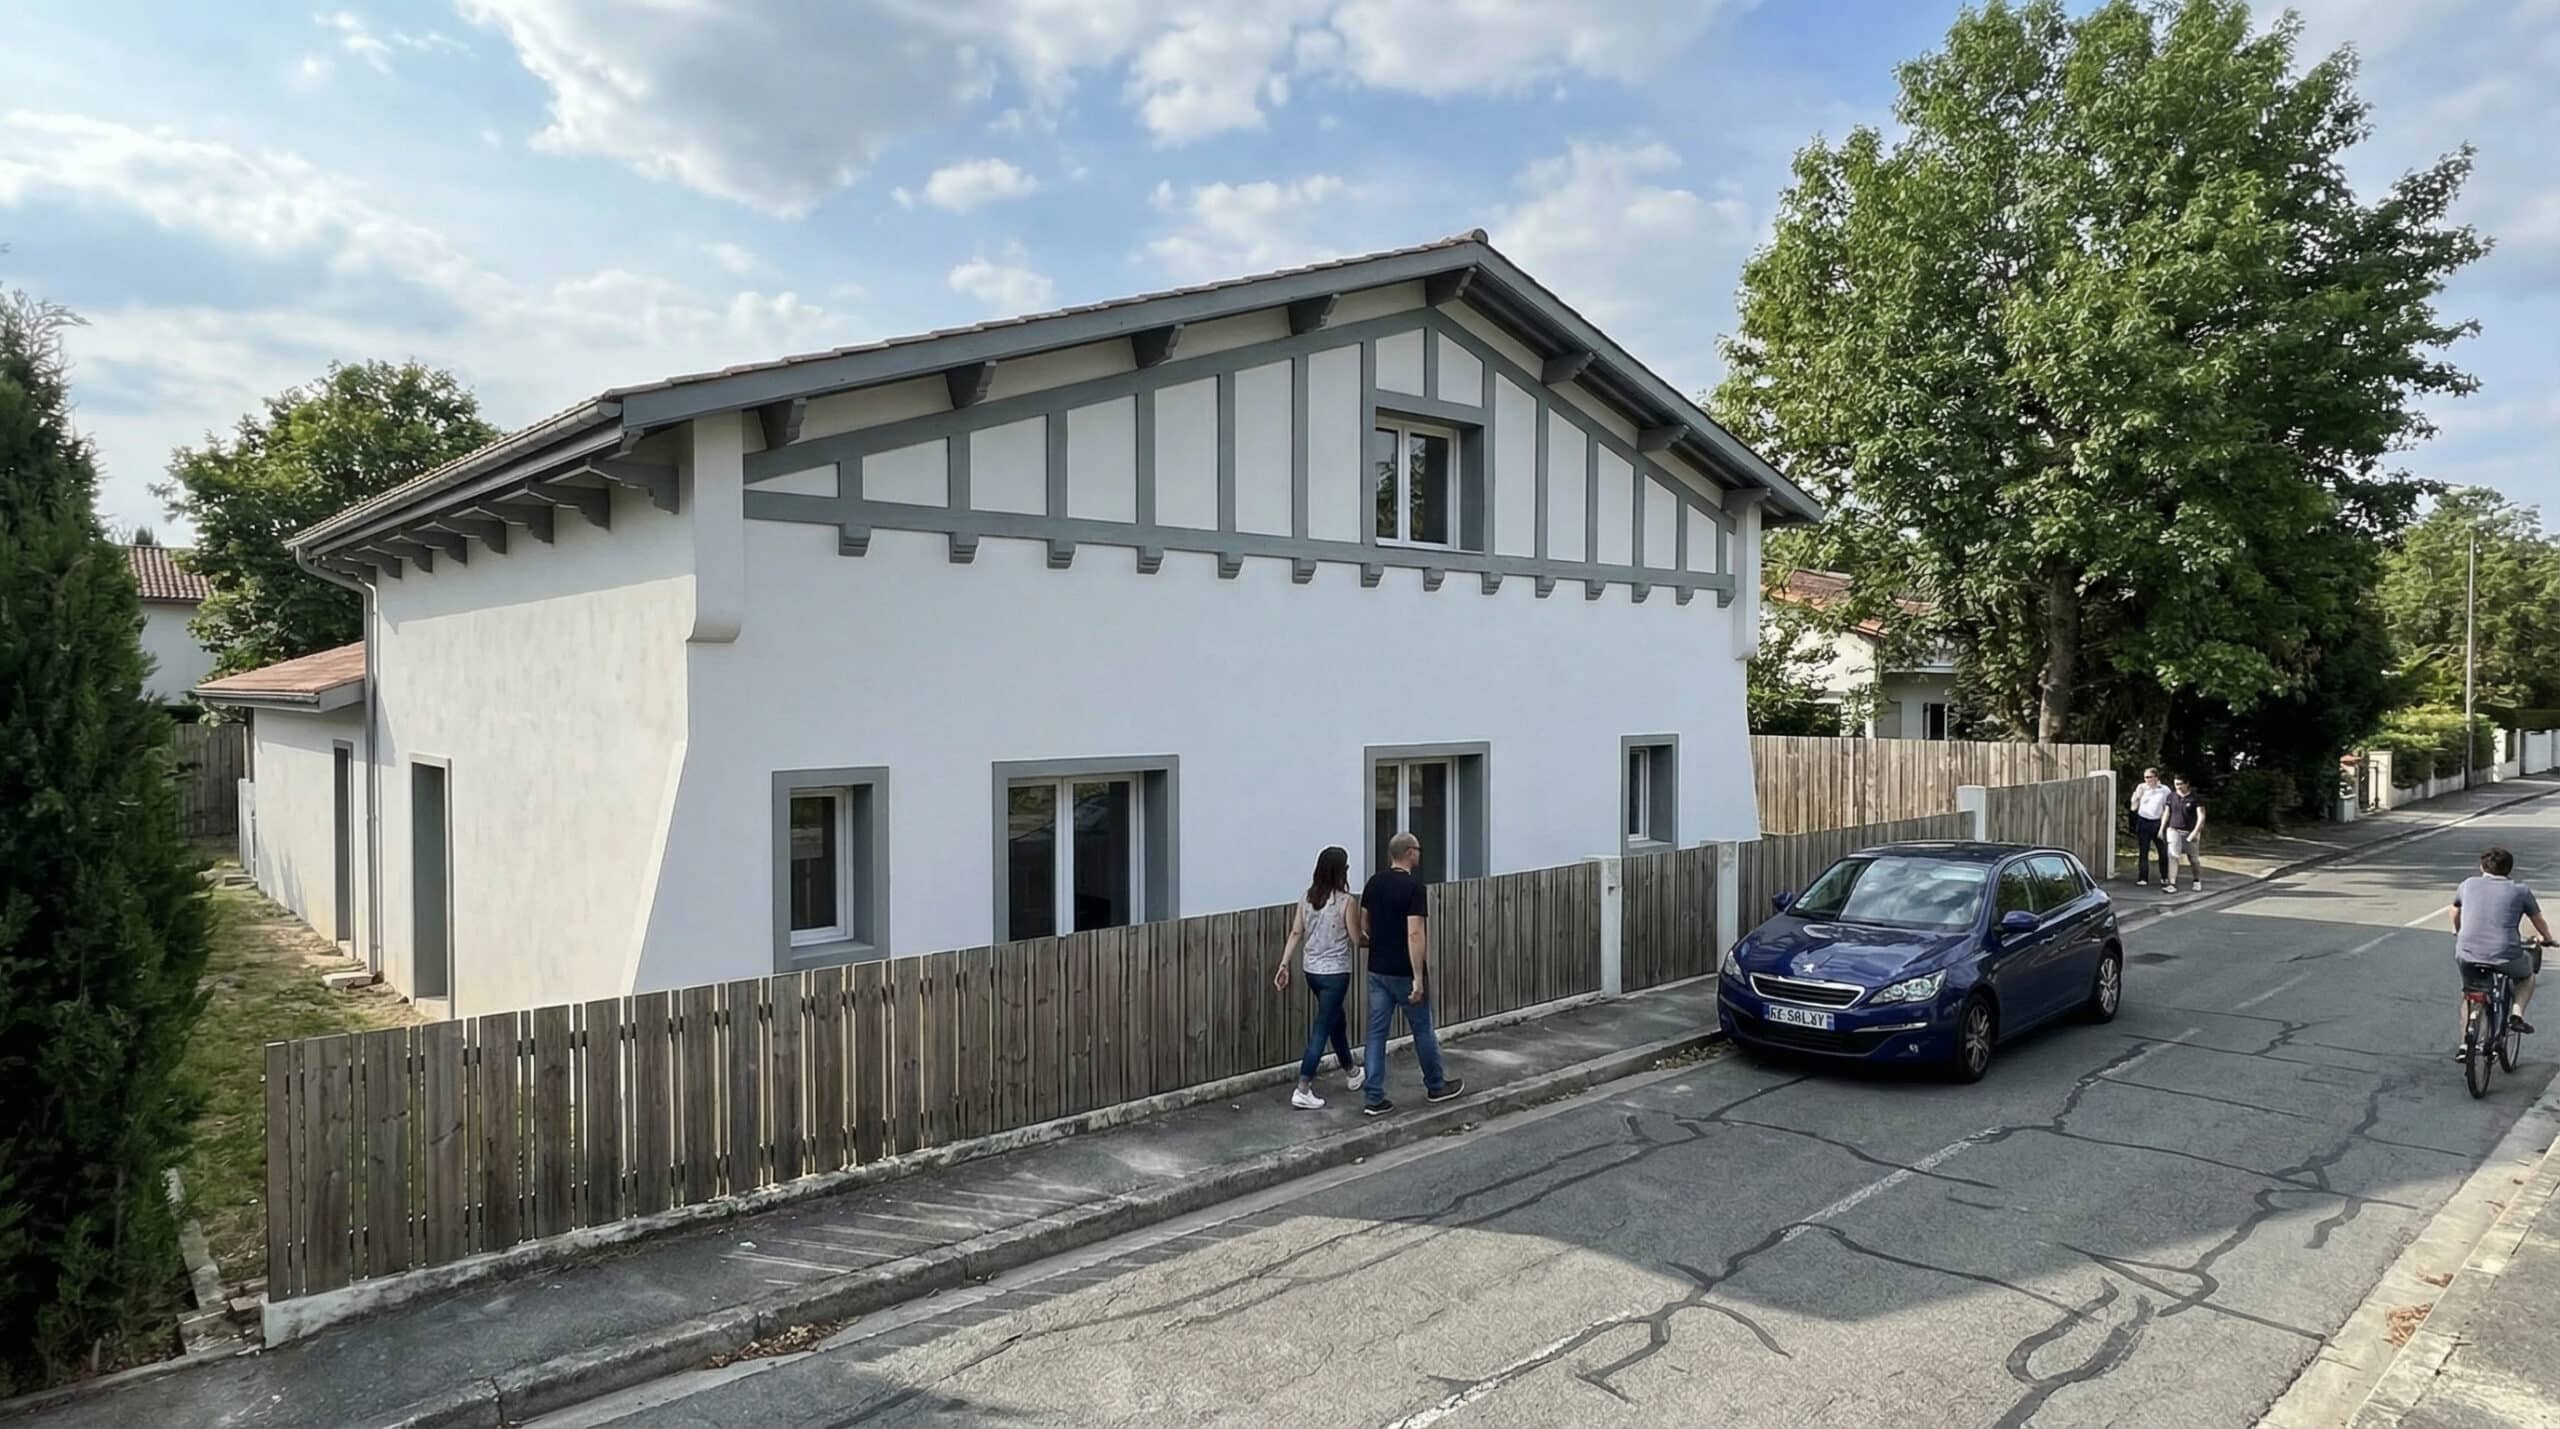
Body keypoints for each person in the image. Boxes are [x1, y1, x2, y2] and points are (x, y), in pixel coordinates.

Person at [1358, 832, 1464, 1117]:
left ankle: (1374, 1097)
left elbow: (1364, 924)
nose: (1420, 854)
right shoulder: (1414, 888)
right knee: (1422, 1030)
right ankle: (1436, 1085)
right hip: (1404, 971)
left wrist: (1373, 941)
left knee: (1376, 1034)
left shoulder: (1373, 882)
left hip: (1377, 969)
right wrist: (1418, 976)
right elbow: (1415, 933)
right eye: (1418, 849)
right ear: (1408, 852)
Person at [1273, 845, 1366, 1109]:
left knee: (1336, 1020)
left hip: (1311, 970)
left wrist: (1284, 964)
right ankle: (1303, 1088)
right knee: (1323, 1027)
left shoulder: (1306, 898)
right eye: (1346, 867)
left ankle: (1352, 1073)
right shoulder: (1346, 901)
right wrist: (1375, 941)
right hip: (1336, 973)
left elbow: (1295, 933)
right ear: (1340, 871)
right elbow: (1357, 939)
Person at [2451, 846, 2556, 1060]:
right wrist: (2547, 939)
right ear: (2510, 869)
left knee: (2470, 994)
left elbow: (2454, 909)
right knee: (2526, 977)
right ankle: (2516, 1015)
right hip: (2505, 952)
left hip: (2467, 952)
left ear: (2482, 866)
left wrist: (2458, 930)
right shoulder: (2520, 890)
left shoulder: (2468, 884)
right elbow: (2538, 921)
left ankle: (2464, 1045)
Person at [2128, 768, 2172, 887]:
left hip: (2157, 822)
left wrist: (2163, 826)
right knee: (2143, 851)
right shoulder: (2142, 787)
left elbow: (2167, 809)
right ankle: (2143, 878)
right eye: (2145, 777)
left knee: (2162, 851)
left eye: (2150, 777)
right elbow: (2133, 807)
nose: (2147, 780)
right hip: (2143, 822)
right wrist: (2137, 795)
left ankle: (2164, 876)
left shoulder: (2164, 790)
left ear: (2156, 778)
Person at [2162, 776, 2206, 893]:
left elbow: (2201, 817)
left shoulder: (2195, 798)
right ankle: (2172, 883)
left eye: (2181, 784)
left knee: (2193, 859)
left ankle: (2196, 880)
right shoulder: (2171, 796)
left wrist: (2195, 833)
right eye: (2176, 784)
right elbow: (2167, 813)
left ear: (2187, 784)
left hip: (2190, 832)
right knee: (2173, 857)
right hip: (2173, 830)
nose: (2178, 787)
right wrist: (2162, 828)